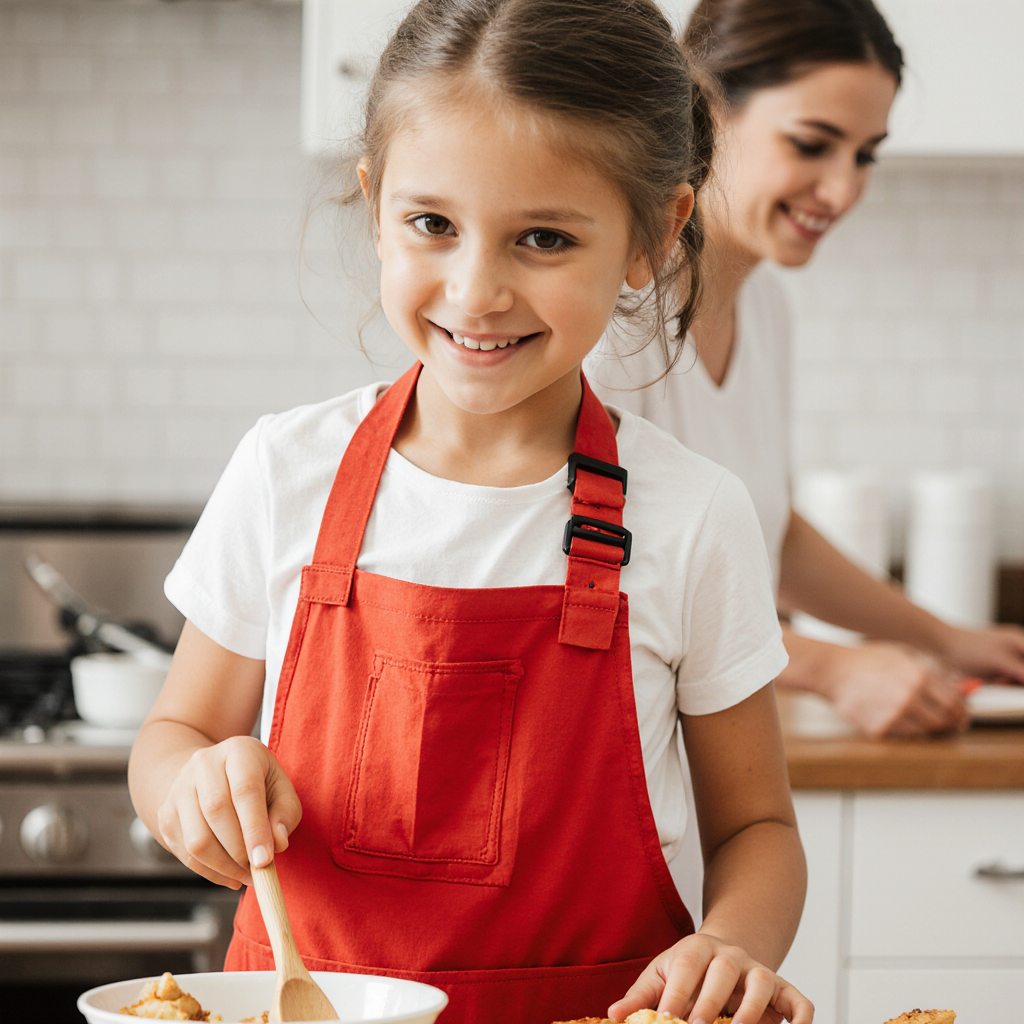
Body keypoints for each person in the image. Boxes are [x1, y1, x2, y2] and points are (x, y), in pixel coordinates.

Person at [128, 2, 814, 1023]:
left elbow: (757, 827)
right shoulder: (286, 472)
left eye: (542, 237)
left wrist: (727, 946)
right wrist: (191, 785)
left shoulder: (690, 515)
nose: (475, 288)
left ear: (653, 236)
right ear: (374, 207)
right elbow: (174, 733)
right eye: (431, 225)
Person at [588, 0, 1024, 740]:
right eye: (813, 144)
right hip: (611, 771)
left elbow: (769, 535)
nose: (844, 189)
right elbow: (615, 591)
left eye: (864, 154)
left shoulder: (766, 313)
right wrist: (831, 667)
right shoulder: (612, 321)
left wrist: (949, 639)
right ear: (707, 112)